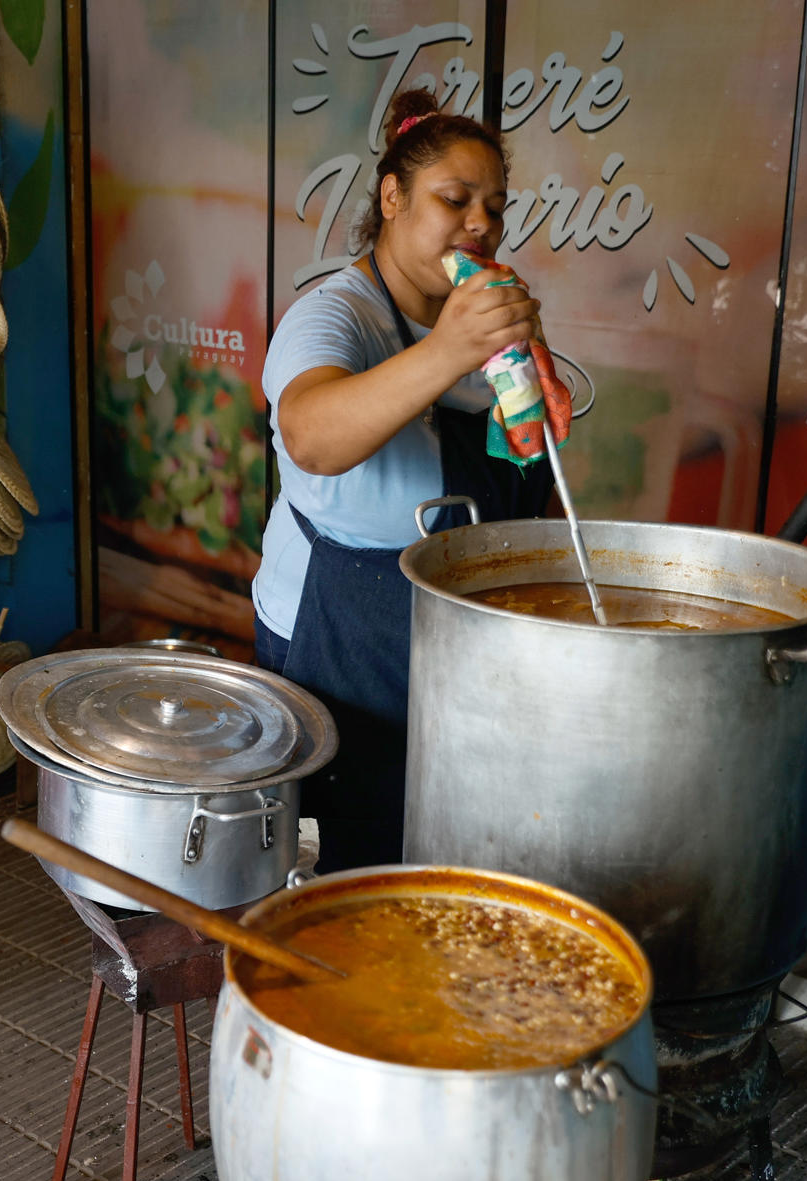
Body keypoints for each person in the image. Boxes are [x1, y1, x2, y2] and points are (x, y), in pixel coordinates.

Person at [252, 89, 554, 872]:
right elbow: (311, 435)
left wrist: (530, 382)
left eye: (494, 206)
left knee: (435, 835)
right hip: (337, 626)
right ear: (392, 198)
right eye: (454, 200)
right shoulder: (335, 316)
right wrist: (448, 352)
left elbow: (526, 453)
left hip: (444, 616)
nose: (480, 224)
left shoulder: (470, 313)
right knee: (347, 851)